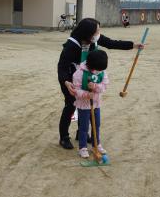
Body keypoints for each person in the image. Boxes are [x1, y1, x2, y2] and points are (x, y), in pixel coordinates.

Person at [57, 18, 145, 149]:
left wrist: (133, 45)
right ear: (88, 33)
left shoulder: (93, 38)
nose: (99, 33)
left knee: (86, 105)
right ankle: (64, 137)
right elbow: (62, 67)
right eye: (97, 31)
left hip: (88, 76)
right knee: (71, 106)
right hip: (71, 79)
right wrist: (66, 82)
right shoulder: (71, 45)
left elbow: (111, 43)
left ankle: (81, 133)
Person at [73, 50, 109, 158]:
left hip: (96, 104)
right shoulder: (79, 73)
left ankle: (96, 144)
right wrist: (86, 94)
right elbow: (76, 90)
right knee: (84, 127)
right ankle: (82, 147)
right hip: (84, 105)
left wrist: (96, 87)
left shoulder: (101, 72)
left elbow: (105, 85)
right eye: (97, 69)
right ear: (91, 65)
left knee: (96, 124)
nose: (99, 71)